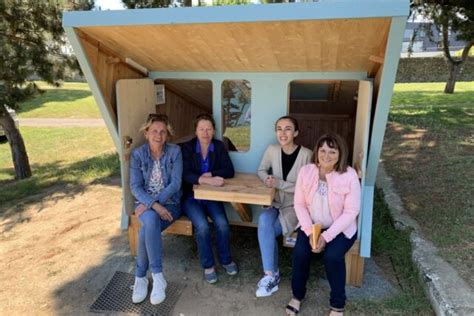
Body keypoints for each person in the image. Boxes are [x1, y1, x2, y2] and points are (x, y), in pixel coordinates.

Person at [285, 133, 360, 316]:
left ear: (340, 154)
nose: (326, 155)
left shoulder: (349, 175)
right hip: (311, 225)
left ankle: (337, 305)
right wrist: (311, 232)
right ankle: (297, 296)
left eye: (332, 151)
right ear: (317, 151)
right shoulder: (306, 171)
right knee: (300, 253)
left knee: (332, 257)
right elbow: (299, 204)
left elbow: (351, 212)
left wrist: (325, 237)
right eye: (323, 150)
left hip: (340, 228)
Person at [255, 116, 312, 297]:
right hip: (275, 201)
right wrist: (267, 179)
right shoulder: (272, 150)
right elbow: (261, 170)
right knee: (264, 219)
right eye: (279, 128)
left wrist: (279, 183)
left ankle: (272, 276)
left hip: (296, 207)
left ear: (296, 133)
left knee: (269, 229)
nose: (283, 133)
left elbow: (307, 188)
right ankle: (270, 274)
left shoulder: (307, 155)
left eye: (288, 129)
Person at [129, 114, 183, 305]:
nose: (158, 135)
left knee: (147, 226)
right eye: (154, 131)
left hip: (170, 205)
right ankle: (157, 277)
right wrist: (154, 205)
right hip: (148, 206)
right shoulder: (138, 155)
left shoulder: (175, 152)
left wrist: (157, 204)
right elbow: (135, 187)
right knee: (150, 220)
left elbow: (175, 184)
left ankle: (141, 276)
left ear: (167, 135)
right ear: (146, 133)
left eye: (162, 132)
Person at [180, 114, 238, 283]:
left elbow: (229, 171)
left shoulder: (218, 146)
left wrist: (212, 173)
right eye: (201, 129)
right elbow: (185, 174)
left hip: (212, 197)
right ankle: (208, 265)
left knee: (222, 224)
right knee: (203, 227)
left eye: (209, 129)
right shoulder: (188, 148)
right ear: (196, 131)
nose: (205, 133)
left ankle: (226, 260)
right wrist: (206, 180)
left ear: (214, 131)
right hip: (191, 196)